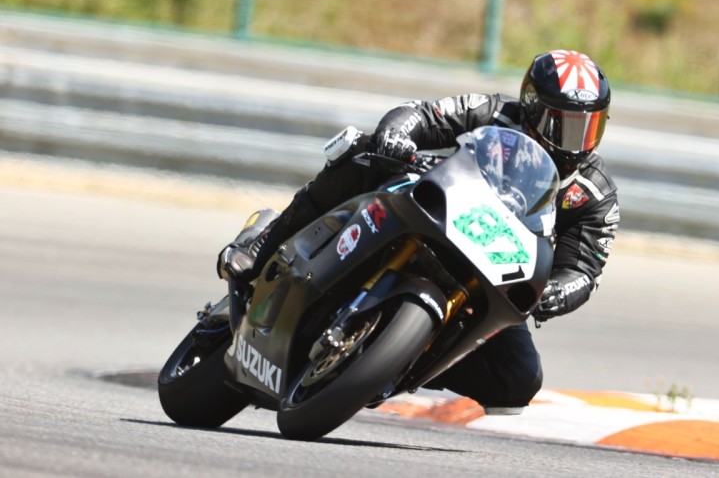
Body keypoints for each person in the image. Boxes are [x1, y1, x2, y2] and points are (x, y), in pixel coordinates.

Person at [217, 49, 620, 414]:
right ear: (532, 107)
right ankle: (265, 242)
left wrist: (559, 291)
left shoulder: (595, 194)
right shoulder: (495, 113)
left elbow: (583, 269)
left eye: (588, 127)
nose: (575, 142)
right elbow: (423, 115)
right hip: (440, 210)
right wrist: (396, 135)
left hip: (493, 269)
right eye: (564, 125)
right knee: (362, 151)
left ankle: (396, 361)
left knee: (519, 378)